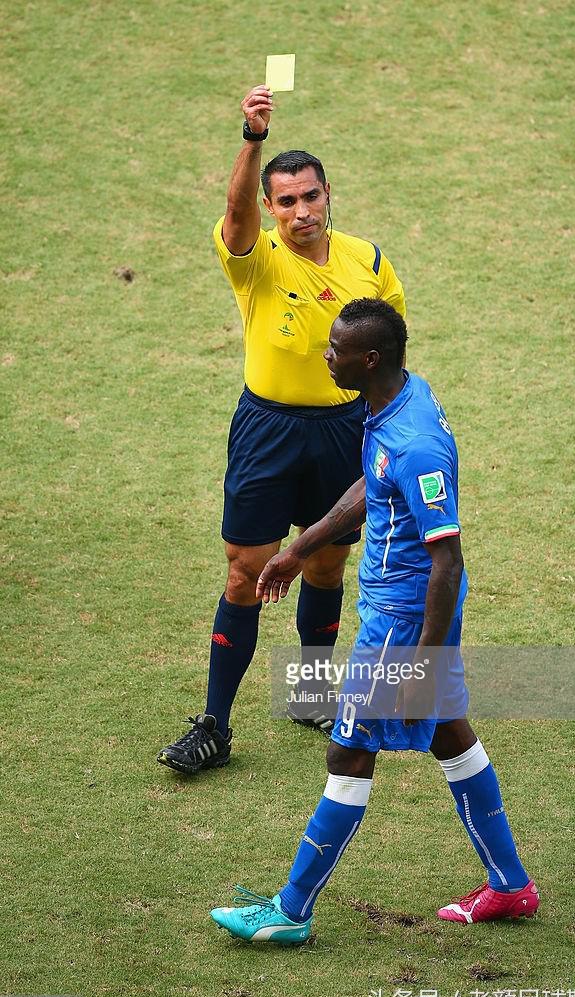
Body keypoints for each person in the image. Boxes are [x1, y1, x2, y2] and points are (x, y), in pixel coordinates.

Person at [209, 299, 539, 941]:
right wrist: (301, 549)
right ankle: (510, 886)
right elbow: (373, 482)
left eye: (335, 349)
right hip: (403, 611)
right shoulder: (395, 401)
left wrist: (421, 666)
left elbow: (447, 561)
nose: (325, 356)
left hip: (403, 620)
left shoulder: (416, 445)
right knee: (449, 734)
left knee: (349, 751)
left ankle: (291, 911)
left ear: (369, 359)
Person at [157, 87, 405, 774]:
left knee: (326, 563)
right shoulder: (256, 256)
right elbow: (233, 213)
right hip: (267, 430)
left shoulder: (369, 262)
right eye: (286, 201)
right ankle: (214, 725)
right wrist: (251, 137)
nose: (301, 211)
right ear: (270, 207)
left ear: (328, 196)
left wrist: (393, 427)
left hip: (344, 428)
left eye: (310, 197)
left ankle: (309, 694)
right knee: (245, 571)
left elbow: (390, 355)